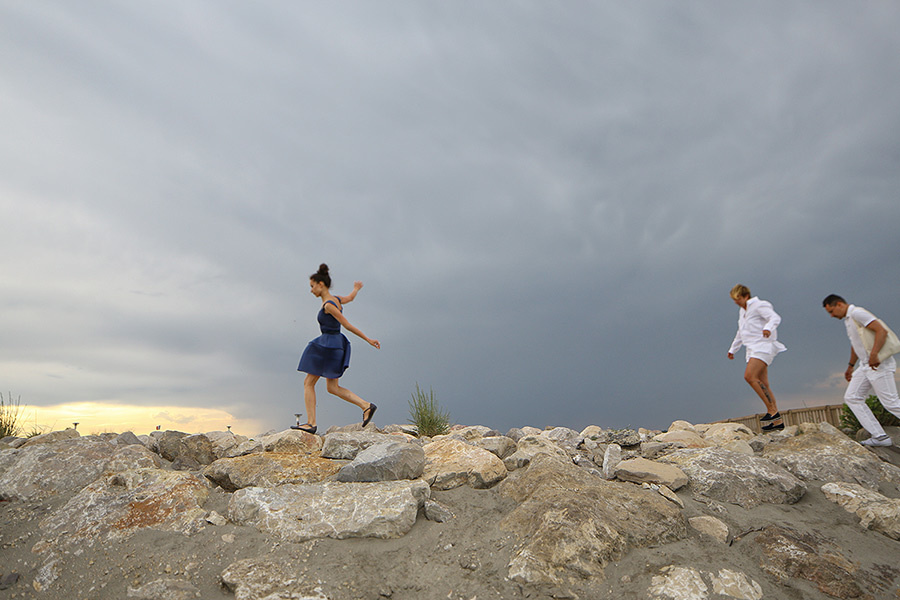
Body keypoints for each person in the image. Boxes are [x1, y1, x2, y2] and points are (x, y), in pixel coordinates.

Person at [294, 264, 380, 434]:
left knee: (308, 383)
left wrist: (368, 339)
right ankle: (366, 406)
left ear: (321, 284)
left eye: (312, 286)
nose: (311, 290)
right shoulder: (337, 299)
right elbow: (350, 298)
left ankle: (311, 423)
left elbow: (347, 325)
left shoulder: (328, 305)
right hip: (335, 345)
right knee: (332, 388)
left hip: (328, 345)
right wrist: (356, 289)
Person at [823, 294, 900, 447]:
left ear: (839, 304)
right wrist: (851, 365)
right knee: (852, 397)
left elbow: (881, 331)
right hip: (865, 366)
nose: (831, 316)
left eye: (831, 311)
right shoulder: (848, 319)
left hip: (879, 364)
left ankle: (880, 436)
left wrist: (874, 354)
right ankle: (880, 437)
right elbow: (856, 343)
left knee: (891, 403)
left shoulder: (857, 313)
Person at [727, 285, 787, 431]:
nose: (736, 302)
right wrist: (733, 349)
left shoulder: (759, 305)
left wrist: (768, 328)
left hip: (763, 346)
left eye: (738, 299)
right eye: (734, 300)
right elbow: (740, 332)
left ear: (746, 296)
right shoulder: (742, 312)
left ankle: (772, 411)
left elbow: (774, 317)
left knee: (749, 376)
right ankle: (777, 422)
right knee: (764, 383)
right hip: (752, 349)